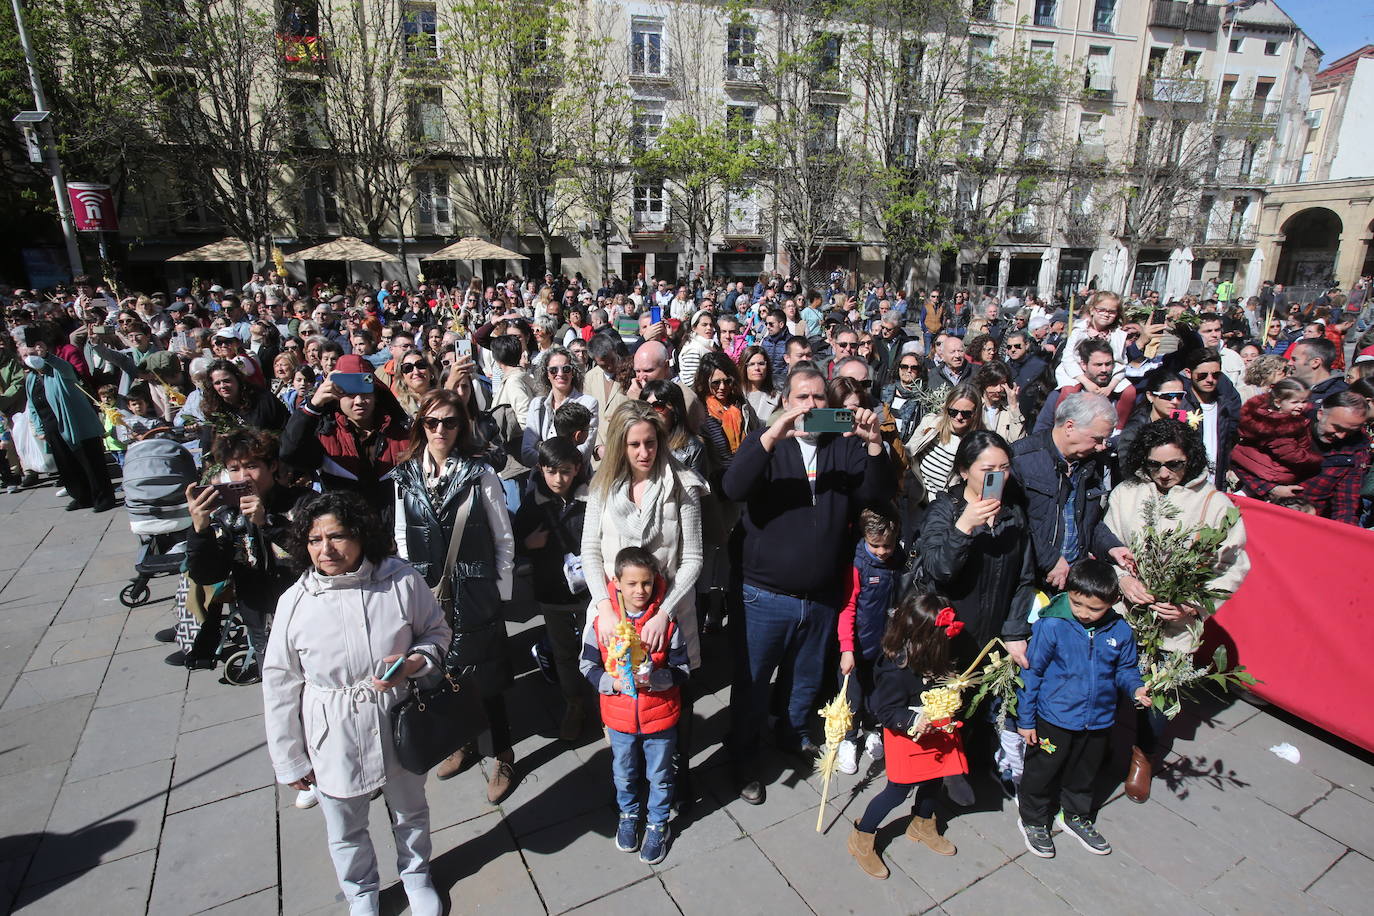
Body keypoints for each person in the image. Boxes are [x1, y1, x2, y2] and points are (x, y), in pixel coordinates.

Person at [263, 491, 449, 916]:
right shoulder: (295, 603)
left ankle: (417, 876)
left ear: (362, 536)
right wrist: (289, 758)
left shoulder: (400, 580)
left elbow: (436, 632)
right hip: (333, 730)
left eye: (337, 536)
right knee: (345, 825)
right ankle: (361, 893)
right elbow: (279, 685)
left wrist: (414, 663)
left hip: (395, 718)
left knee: (410, 810)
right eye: (314, 540)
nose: (325, 549)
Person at [722, 366, 890, 804]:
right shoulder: (769, 443)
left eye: (819, 399)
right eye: (802, 398)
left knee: (804, 678)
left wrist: (874, 445)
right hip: (764, 593)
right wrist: (776, 430)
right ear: (784, 400)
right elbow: (734, 484)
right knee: (754, 682)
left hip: (820, 594)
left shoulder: (843, 446)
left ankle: (792, 735)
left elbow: (875, 495)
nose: (811, 407)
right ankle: (743, 756)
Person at [1105, 418, 1250, 803]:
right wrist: (1122, 578)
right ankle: (1100, 743)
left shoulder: (1214, 504)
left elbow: (1233, 566)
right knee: (1109, 681)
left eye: (1174, 465)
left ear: (1191, 461)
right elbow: (1107, 544)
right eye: (1155, 465)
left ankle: (1143, 755)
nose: (1164, 473)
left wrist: (1192, 605)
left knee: (1156, 692)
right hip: (1124, 611)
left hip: (1173, 623)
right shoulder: (1127, 492)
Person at [392, 388, 517, 801]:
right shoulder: (405, 475)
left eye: (449, 421)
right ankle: (461, 742)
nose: (440, 429)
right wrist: (413, 589)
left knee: (488, 676)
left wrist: (500, 592)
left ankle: (503, 752)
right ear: (420, 425)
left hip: (476, 588)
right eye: (432, 422)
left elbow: (503, 537)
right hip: (429, 592)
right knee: (441, 673)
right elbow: (401, 536)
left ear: (462, 425)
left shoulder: (480, 474)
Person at [582, 401, 705, 803]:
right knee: (621, 700)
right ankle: (629, 791)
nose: (643, 453)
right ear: (620, 445)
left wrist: (664, 613)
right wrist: (602, 605)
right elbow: (590, 551)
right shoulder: (603, 485)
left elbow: (693, 558)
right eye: (633, 444)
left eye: (650, 442)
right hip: (615, 615)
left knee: (672, 699)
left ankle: (675, 784)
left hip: (667, 614)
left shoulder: (682, 483)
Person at [1015, 558, 1149, 859]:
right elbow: (1032, 673)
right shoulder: (1052, 626)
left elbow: (1126, 670)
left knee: (1084, 773)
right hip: (1055, 718)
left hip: (1098, 719)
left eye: (1094, 609)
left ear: (1113, 601)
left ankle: (1075, 815)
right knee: (1041, 771)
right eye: (1077, 605)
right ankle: (1033, 819)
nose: (1084, 614)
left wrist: (1136, 688)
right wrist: (1027, 720)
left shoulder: (1120, 631)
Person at [580, 546, 689, 866]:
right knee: (624, 772)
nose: (640, 591)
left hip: (660, 718)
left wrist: (656, 679)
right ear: (616, 583)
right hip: (620, 718)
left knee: (660, 774)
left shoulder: (666, 624)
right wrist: (613, 684)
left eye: (646, 584)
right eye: (632, 584)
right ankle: (628, 815)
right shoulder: (604, 623)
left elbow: (683, 669)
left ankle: (657, 824)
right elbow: (587, 666)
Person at [846, 592, 966, 880]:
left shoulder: (932, 656)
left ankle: (923, 823)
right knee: (897, 791)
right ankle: (862, 836)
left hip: (935, 731)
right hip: (906, 735)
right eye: (942, 638)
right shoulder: (895, 671)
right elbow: (882, 709)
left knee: (936, 779)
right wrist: (912, 718)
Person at [178, 430, 309, 677]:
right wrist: (200, 530)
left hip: (309, 614)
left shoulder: (303, 504)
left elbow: (317, 558)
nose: (243, 476)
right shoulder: (228, 515)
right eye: (234, 469)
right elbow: (207, 574)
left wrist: (268, 523)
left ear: (272, 466)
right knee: (278, 695)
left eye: (251, 466)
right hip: (261, 620)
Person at [1010, 393, 1129, 591]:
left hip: (1073, 579)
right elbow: (1014, 523)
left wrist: (1111, 546)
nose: (1101, 447)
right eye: (1097, 439)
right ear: (1070, 426)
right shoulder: (1021, 459)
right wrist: (1049, 559)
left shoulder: (1092, 463)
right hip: (1029, 580)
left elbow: (1087, 521)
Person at [514, 437, 591, 741]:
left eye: (566, 471)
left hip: (588, 593)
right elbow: (512, 542)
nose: (559, 479)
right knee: (563, 652)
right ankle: (574, 703)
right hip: (552, 591)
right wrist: (527, 545)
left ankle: (602, 700)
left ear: (577, 469)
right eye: (552, 471)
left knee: (596, 648)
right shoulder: (533, 503)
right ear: (541, 469)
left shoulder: (590, 497)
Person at [280, 354, 411, 516]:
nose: (359, 401)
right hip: (344, 530)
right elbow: (289, 452)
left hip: (394, 534)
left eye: (365, 393)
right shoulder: (324, 434)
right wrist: (313, 405)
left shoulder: (400, 432)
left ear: (376, 395)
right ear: (335, 397)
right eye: (349, 393)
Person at [834, 509, 902, 775]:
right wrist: (846, 647)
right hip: (858, 643)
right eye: (876, 545)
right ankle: (849, 740)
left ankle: (872, 729)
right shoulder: (858, 563)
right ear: (864, 538)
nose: (883, 551)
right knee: (852, 695)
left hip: (885, 644)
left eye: (888, 545)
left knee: (878, 693)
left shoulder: (898, 559)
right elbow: (848, 607)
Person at [1237, 390, 1371, 524]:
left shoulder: (1354, 451)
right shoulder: (1284, 425)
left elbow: (1346, 503)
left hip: (1306, 522)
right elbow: (1241, 459)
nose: (1341, 436)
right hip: (1258, 511)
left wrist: (1343, 536)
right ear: (1321, 414)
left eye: (1349, 431)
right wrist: (1270, 489)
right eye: (1336, 427)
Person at [21, 327, 115, 512]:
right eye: (26, 355)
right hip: (52, 426)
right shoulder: (31, 378)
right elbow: (32, 405)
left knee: (91, 462)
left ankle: (103, 497)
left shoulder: (56, 369)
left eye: (33, 353)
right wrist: (39, 428)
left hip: (77, 424)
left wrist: (47, 356)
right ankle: (81, 496)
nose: (30, 358)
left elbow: (68, 371)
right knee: (67, 465)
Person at [902, 383, 984, 539]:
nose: (959, 417)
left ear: (975, 413)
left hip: (947, 509)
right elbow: (910, 451)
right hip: (918, 499)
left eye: (966, 414)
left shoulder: (978, 442)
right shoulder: (931, 424)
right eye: (953, 411)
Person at [1230, 379, 1321, 493]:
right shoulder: (1279, 427)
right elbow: (1292, 454)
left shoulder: (1266, 415)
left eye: (1304, 402)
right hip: (1271, 471)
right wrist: (1316, 459)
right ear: (1278, 403)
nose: (1300, 406)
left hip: (1256, 464)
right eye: (1295, 402)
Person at [199, 358, 291, 456]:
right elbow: (208, 445)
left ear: (238, 379)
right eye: (217, 383)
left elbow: (286, 431)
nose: (222, 386)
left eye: (227, 381)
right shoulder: (213, 408)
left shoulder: (263, 400)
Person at [1288, 337, 1349, 404]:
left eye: (1294, 359)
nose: (1289, 363)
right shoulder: (1292, 388)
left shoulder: (1340, 396)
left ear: (1315, 362)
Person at [739, 345, 779, 419]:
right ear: (744, 367)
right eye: (751, 364)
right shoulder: (736, 395)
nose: (757, 368)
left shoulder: (777, 399)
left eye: (761, 364)